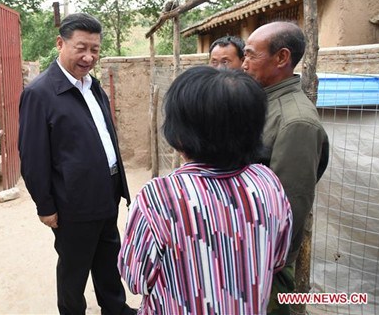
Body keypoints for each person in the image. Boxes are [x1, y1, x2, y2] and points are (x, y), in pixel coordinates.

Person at [118, 66, 292, 314]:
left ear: (179, 134)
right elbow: (278, 258)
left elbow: (136, 279)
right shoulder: (268, 181)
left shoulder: (159, 197)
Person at [18, 13, 135, 315]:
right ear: (60, 43)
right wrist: (45, 206)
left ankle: (116, 309)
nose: (89, 56)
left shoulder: (92, 85)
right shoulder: (39, 93)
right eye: (81, 47)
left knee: (108, 258)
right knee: (74, 268)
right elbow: (32, 157)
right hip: (73, 201)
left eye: (95, 49)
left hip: (106, 192)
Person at [242, 21, 330, 315]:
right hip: (250, 252)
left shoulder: (296, 122)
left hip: (268, 262)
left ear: (281, 58)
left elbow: (290, 206)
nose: (243, 64)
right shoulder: (264, 103)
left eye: (251, 55)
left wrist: (269, 262)